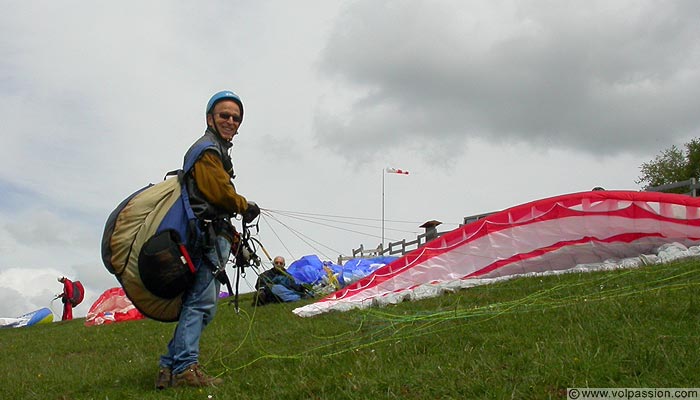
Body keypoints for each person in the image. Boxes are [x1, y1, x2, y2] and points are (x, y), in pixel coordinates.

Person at [156, 90, 260, 390]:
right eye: (224, 115)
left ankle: (169, 367)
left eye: (235, 118)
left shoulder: (214, 150)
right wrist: (245, 205)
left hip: (210, 232)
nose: (230, 121)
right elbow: (219, 194)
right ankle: (186, 368)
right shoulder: (207, 150)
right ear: (210, 118)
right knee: (201, 303)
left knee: (198, 302)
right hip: (207, 235)